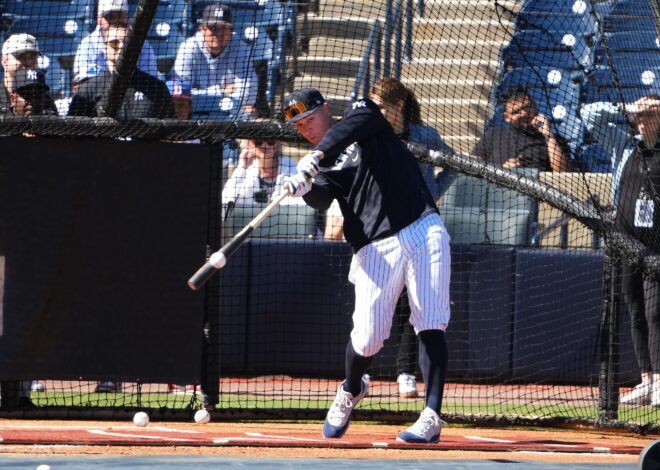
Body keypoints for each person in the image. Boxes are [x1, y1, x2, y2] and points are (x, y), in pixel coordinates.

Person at [282, 87, 451, 443]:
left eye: (310, 119)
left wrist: (316, 154)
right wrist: (303, 187)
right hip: (374, 247)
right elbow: (321, 198)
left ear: (327, 109)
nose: (307, 128)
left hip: (422, 226)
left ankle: (432, 415)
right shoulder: (322, 163)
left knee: (431, 320)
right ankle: (352, 387)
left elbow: (363, 119)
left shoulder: (362, 114)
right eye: (300, 126)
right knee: (368, 338)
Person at [581, 95, 660, 406]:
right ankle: (647, 378)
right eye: (640, 115)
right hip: (625, 244)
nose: (644, 120)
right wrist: (625, 107)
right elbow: (588, 115)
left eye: (651, 114)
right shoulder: (625, 145)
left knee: (657, 312)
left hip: (657, 246)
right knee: (635, 310)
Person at [67, 25, 175, 119]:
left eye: (127, 42)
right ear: (104, 48)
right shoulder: (88, 90)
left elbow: (169, 135)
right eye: (114, 43)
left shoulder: (156, 88)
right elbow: (72, 137)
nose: (122, 46)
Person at [173, 3, 258, 115]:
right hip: (196, 113)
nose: (218, 33)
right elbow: (181, 94)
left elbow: (249, 94)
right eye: (212, 27)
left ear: (231, 30)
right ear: (202, 28)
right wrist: (221, 91)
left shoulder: (241, 48)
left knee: (249, 111)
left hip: (229, 111)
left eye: (223, 28)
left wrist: (202, 95)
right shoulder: (188, 48)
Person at [472, 89, 571, 172]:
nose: (523, 114)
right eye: (516, 112)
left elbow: (562, 174)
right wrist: (501, 171)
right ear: (507, 117)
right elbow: (474, 166)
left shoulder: (554, 140)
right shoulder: (493, 135)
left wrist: (548, 135)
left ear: (535, 107)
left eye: (527, 108)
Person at [73, 0, 158, 81]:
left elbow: (150, 82)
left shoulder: (142, 45)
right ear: (99, 19)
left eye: (120, 15)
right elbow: (83, 86)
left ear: (127, 17)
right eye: (110, 16)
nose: (115, 20)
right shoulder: (87, 45)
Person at [222, 137, 298, 206]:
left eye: (270, 141)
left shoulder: (291, 167)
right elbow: (226, 200)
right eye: (258, 141)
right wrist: (241, 168)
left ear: (278, 144)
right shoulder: (245, 170)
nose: (265, 145)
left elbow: (299, 202)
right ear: (249, 143)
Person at [0, 33, 58, 116]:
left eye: (33, 57)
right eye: (21, 57)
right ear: (4, 61)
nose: (29, 63)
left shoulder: (44, 97)